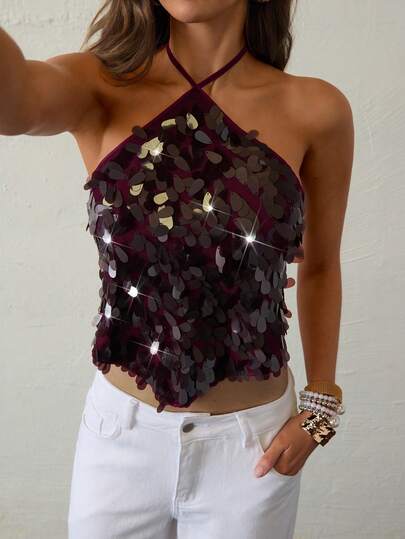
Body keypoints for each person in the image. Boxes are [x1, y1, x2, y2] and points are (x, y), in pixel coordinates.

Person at [0, 0, 353, 537]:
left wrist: (322, 407)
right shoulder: (98, 84)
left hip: (251, 452)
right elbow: (13, 103)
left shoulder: (315, 109)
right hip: (120, 438)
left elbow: (322, 265)